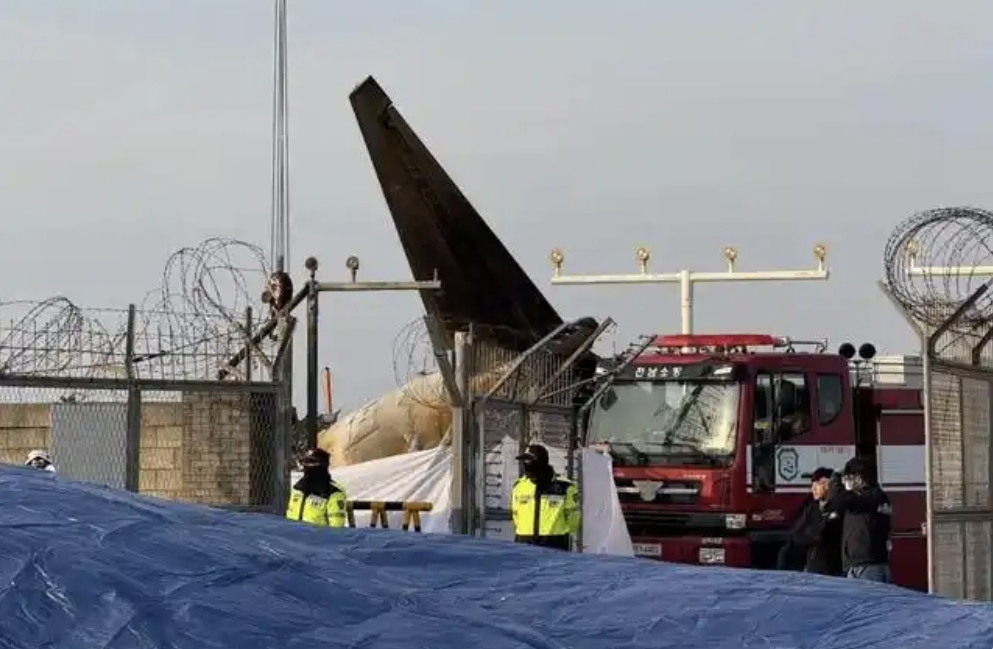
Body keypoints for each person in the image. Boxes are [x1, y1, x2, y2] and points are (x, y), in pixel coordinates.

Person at [828, 457, 892, 582]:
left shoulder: (871, 496)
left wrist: (835, 479)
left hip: (868, 566)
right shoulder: (866, 498)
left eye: (849, 478)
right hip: (860, 565)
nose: (846, 481)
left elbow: (840, 499)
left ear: (860, 478)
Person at [511, 444, 581, 551]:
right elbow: (516, 516)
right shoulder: (519, 486)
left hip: (554, 545)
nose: (525, 464)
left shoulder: (564, 487)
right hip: (523, 544)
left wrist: (557, 533)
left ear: (541, 461)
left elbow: (574, 521)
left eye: (529, 460)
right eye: (524, 460)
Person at [789, 467, 843, 576]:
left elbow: (830, 533)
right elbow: (796, 533)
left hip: (835, 570)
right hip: (813, 568)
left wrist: (813, 531)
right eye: (812, 485)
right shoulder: (811, 508)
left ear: (827, 484)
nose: (812, 489)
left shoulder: (839, 506)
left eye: (816, 485)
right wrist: (814, 533)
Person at [286, 448, 348, 528]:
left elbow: (337, 529)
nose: (306, 466)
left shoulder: (333, 492)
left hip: (318, 539)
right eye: (305, 462)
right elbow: (289, 518)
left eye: (310, 462)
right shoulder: (298, 488)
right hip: (291, 538)